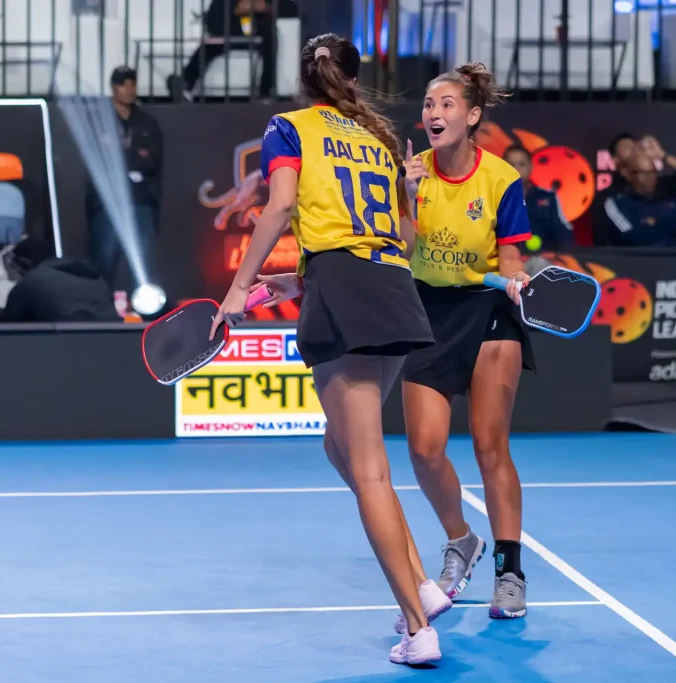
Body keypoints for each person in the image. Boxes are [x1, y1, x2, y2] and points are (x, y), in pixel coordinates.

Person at [210, 34, 446, 665]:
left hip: (346, 293)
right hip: (392, 288)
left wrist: (239, 287)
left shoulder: (289, 128)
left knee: (367, 468)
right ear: (353, 78)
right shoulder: (380, 138)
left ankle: (418, 627)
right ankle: (422, 584)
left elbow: (281, 205)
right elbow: (401, 237)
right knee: (339, 447)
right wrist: (303, 277)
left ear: (304, 78)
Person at [400, 63, 532, 620]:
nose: (434, 113)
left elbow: (510, 254)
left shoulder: (501, 178)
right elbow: (402, 250)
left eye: (447, 104)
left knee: (488, 445)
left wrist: (516, 277)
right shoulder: (410, 173)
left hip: (488, 310)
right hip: (427, 309)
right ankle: (462, 539)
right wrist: (407, 196)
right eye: (429, 105)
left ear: (473, 115)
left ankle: (510, 571)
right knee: (425, 449)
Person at [86, 66, 164, 292]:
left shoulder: (147, 122)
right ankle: (100, 305)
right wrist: (135, 157)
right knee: (105, 256)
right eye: (123, 84)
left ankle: (140, 307)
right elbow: (100, 160)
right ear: (113, 87)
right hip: (108, 201)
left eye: (132, 84)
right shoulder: (100, 121)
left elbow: (152, 161)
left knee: (143, 261)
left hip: (140, 200)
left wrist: (118, 153)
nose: (129, 89)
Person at [602, 147, 676, 246]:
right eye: (643, 173)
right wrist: (673, 235)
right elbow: (633, 235)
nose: (650, 178)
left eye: (652, 172)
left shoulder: (670, 195)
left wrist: (657, 222)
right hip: (636, 258)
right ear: (629, 175)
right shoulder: (618, 202)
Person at [502, 145, 573, 252]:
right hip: (504, 258)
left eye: (521, 164)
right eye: (511, 164)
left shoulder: (548, 197)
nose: (516, 170)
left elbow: (564, 233)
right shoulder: (492, 197)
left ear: (530, 167)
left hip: (543, 257)